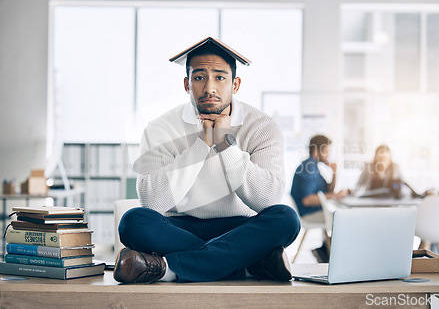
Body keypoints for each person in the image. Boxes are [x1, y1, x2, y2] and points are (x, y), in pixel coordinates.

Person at [113, 37, 300, 284]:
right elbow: (152, 202)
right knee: (133, 221)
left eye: (220, 78)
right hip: (178, 227)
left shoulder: (262, 126)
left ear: (235, 84)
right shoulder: (160, 128)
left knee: (286, 219)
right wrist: (203, 144)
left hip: (241, 229)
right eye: (199, 77)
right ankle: (248, 264)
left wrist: (225, 144)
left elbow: (267, 200)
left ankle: (167, 268)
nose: (209, 87)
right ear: (186, 84)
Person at [290, 135, 348, 262]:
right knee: (343, 219)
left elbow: (328, 191)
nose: (328, 155)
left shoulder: (314, 166)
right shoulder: (309, 167)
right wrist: (336, 196)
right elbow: (308, 200)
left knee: (339, 216)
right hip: (307, 214)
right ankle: (331, 255)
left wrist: (334, 173)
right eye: (326, 151)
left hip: (315, 211)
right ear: (316, 151)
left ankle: (324, 252)